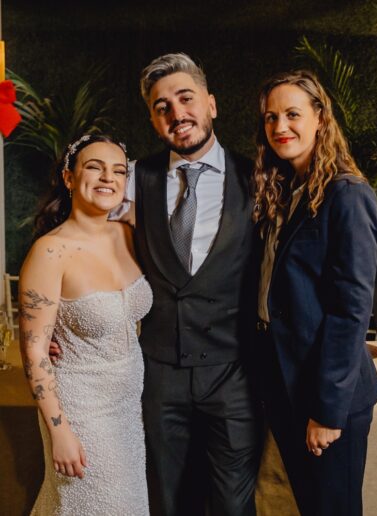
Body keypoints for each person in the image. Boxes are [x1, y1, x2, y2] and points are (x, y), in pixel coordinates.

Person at [114, 52, 262, 516]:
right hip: (160, 376)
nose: (176, 113)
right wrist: (61, 319)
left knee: (233, 507)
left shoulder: (259, 177)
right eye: (162, 107)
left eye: (185, 98)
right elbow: (79, 238)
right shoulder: (132, 178)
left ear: (211, 104)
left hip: (234, 375)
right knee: (168, 502)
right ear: (153, 120)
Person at [253, 70, 377, 515]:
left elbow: (351, 311)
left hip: (327, 397)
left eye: (292, 114)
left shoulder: (347, 195)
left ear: (320, 118)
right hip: (287, 387)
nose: (280, 127)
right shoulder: (286, 191)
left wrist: (327, 411)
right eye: (271, 117)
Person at [19, 134, 151, 515]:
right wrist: (59, 430)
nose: (108, 177)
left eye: (119, 171)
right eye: (95, 167)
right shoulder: (50, 252)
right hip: (80, 409)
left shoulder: (129, 234)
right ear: (69, 177)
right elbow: (34, 350)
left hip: (129, 408)